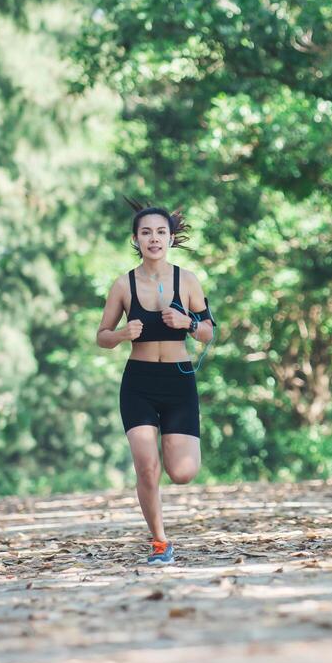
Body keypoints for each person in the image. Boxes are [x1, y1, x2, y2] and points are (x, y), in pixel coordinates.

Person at [95, 205, 215, 565]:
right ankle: (160, 543)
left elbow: (209, 332)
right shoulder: (123, 285)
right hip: (139, 383)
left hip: (178, 382)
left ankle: (173, 450)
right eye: (146, 233)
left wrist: (187, 322)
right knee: (147, 467)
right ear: (136, 240)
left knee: (181, 472)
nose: (154, 239)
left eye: (160, 232)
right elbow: (101, 336)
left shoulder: (188, 280)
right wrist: (120, 335)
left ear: (171, 238)